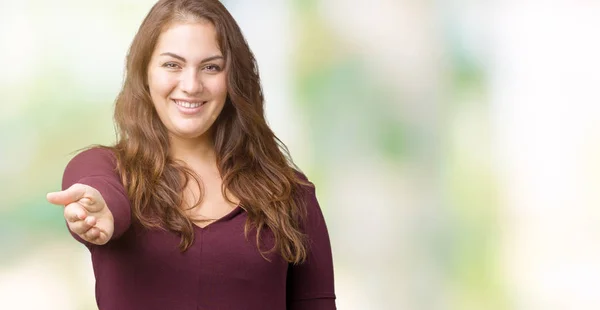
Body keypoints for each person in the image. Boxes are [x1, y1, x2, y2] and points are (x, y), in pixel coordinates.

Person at [45, 0, 336, 309]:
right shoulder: (106, 170)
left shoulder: (289, 193)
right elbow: (100, 194)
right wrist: (96, 212)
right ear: (144, 72)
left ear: (232, 77)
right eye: (172, 65)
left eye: (211, 67)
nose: (191, 85)